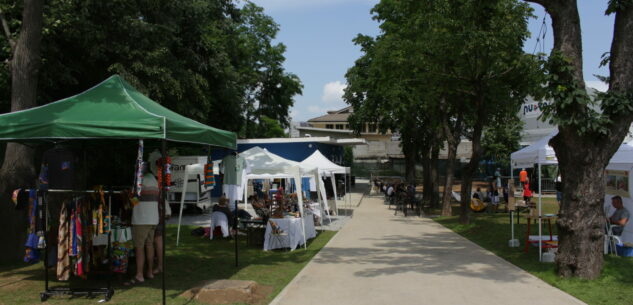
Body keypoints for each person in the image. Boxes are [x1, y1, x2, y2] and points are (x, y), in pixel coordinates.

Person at [126, 162, 159, 286]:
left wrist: (129, 196)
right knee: (149, 245)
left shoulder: (139, 181)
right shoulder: (154, 181)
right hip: (153, 218)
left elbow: (134, 201)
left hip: (141, 219)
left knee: (139, 247)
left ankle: (139, 274)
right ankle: (149, 272)